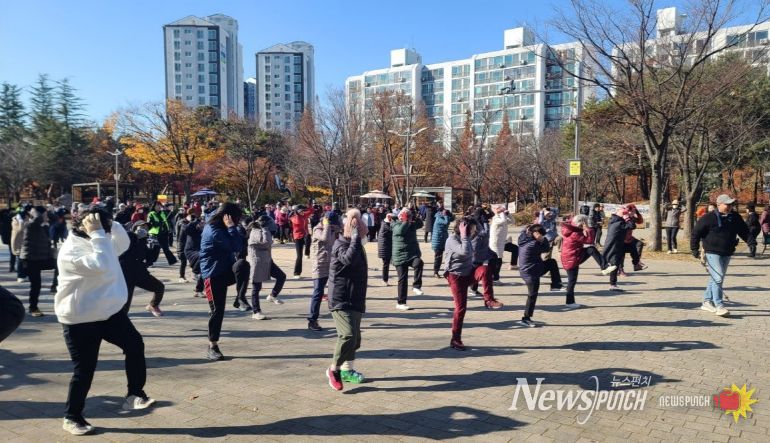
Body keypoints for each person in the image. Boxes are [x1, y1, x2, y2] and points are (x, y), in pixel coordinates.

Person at [54, 207, 155, 435]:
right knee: (85, 370)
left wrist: (110, 220)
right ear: (87, 228)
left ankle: (134, 394)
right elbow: (103, 266)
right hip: (80, 318)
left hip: (109, 312)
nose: (107, 234)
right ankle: (72, 417)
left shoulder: (100, 240)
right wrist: (99, 232)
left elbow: (123, 244)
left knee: (135, 345)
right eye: (103, 229)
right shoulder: (71, 251)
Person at [325, 209, 368, 391]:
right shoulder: (340, 244)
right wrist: (356, 237)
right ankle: (333, 370)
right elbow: (348, 259)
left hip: (355, 298)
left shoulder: (356, 244)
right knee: (347, 335)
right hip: (341, 298)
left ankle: (347, 370)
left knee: (355, 340)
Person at [691, 195, 755, 317]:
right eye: (727, 204)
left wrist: (751, 242)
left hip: (727, 252)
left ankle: (706, 301)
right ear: (719, 204)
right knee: (718, 278)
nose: (730, 206)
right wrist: (694, 249)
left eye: (731, 204)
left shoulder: (735, 217)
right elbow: (696, 233)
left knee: (716, 278)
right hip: (712, 252)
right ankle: (719, 306)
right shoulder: (708, 218)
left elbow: (744, 231)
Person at [199, 203, 242, 361]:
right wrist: (232, 228)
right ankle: (212, 346)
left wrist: (233, 229)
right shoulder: (214, 230)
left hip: (225, 270)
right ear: (227, 217)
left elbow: (239, 245)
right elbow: (236, 245)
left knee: (243, 265)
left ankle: (241, 298)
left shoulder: (221, 227)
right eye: (236, 219)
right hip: (213, 274)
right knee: (217, 310)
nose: (237, 222)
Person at [560, 214, 617, 309]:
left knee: (591, 250)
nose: (586, 224)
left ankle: (605, 267)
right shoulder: (575, 233)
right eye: (585, 222)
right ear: (581, 223)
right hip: (572, 259)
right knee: (572, 281)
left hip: (573, 256)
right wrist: (587, 228)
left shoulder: (571, 228)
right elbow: (590, 240)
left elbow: (573, 221)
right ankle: (569, 302)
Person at [517, 224, 564, 327]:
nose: (542, 237)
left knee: (551, 262)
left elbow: (523, 232)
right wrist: (542, 239)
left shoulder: (524, 238)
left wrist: (527, 228)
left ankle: (556, 285)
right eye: (541, 235)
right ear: (536, 234)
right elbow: (546, 249)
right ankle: (526, 318)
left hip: (532, 268)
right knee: (532, 295)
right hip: (531, 273)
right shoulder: (533, 244)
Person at [443, 217, 476, 351]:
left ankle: (489, 299)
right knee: (461, 308)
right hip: (455, 276)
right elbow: (465, 251)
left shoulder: (467, 238)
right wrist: (464, 235)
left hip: (468, 273)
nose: (474, 231)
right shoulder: (452, 239)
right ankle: (455, 339)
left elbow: (482, 233)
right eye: (472, 229)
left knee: (485, 270)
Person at [119, 222, 165, 317]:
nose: (144, 229)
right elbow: (125, 252)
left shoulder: (143, 241)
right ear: (135, 227)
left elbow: (151, 259)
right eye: (142, 227)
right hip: (126, 275)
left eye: (146, 228)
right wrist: (135, 236)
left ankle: (153, 305)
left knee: (159, 287)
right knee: (125, 305)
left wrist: (156, 245)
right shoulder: (128, 237)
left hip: (140, 274)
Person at [247, 215, 286, 320]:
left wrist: (265, 230)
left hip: (267, 260)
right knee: (256, 287)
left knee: (281, 276)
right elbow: (266, 243)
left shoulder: (263, 230)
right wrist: (265, 229)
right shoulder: (255, 232)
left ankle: (273, 295)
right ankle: (256, 312)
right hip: (258, 262)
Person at [20, 206, 57, 316]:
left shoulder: (41, 226)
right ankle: (33, 308)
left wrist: (48, 212)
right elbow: (37, 218)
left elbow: (55, 219)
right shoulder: (31, 225)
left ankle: (54, 286)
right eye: (45, 215)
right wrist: (34, 210)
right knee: (36, 284)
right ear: (38, 215)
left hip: (41, 258)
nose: (46, 217)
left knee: (60, 264)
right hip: (30, 260)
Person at [308, 211, 342, 331]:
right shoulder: (317, 229)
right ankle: (312, 320)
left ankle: (340, 317)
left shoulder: (333, 229)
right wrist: (327, 225)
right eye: (331, 224)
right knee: (318, 292)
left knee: (336, 291)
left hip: (331, 264)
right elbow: (325, 238)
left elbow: (343, 230)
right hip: (319, 265)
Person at [391, 209, 424, 310]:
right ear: (401, 216)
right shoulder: (395, 224)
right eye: (406, 216)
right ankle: (401, 303)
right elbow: (400, 231)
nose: (408, 218)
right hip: (399, 256)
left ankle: (416, 286)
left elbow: (420, 224)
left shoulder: (410, 224)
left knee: (419, 262)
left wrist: (414, 216)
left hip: (411, 255)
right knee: (403, 279)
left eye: (409, 216)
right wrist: (405, 221)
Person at [601, 206, 638, 291]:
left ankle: (637, 263)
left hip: (619, 245)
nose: (625, 214)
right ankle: (612, 284)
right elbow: (632, 226)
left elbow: (633, 224)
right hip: (614, 247)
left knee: (634, 246)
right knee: (615, 264)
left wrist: (628, 216)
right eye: (624, 213)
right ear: (619, 213)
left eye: (625, 213)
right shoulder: (619, 223)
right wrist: (627, 218)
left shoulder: (615, 220)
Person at [232, 217, 253, 312]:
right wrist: (248, 233)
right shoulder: (239, 229)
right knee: (241, 278)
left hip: (241, 255)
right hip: (237, 256)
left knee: (243, 278)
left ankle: (239, 299)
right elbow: (240, 240)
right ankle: (240, 299)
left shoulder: (240, 228)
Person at [147, 202, 177, 267]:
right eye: (157, 205)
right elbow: (149, 223)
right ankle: (150, 262)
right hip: (155, 233)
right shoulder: (151, 214)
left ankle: (172, 260)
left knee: (165, 247)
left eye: (159, 205)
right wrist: (158, 224)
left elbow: (169, 216)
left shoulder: (163, 213)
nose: (159, 207)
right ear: (154, 206)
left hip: (164, 233)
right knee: (156, 249)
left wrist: (172, 210)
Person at [183, 213, 205, 298]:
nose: (202, 225)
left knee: (204, 270)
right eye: (200, 223)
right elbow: (185, 229)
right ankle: (195, 272)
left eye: (203, 223)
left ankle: (198, 290)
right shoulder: (191, 229)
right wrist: (194, 222)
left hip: (200, 251)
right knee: (202, 257)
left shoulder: (203, 231)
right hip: (190, 251)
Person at [489, 205, 514, 281]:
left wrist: (508, 214)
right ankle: (494, 277)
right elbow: (502, 221)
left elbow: (513, 221)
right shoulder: (495, 218)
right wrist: (502, 213)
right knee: (496, 259)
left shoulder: (503, 217)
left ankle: (495, 277)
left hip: (501, 241)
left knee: (498, 259)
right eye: (498, 209)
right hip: (495, 242)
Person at [431, 208, 454, 278]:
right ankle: (435, 272)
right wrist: (445, 215)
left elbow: (452, 219)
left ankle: (448, 271)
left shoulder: (443, 217)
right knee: (438, 257)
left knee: (449, 255)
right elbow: (446, 222)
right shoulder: (438, 218)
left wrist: (450, 214)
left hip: (443, 239)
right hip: (438, 241)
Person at [289, 205, 311, 278]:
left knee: (308, 236)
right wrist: (299, 214)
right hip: (297, 237)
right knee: (299, 256)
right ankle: (296, 273)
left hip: (304, 235)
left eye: (303, 211)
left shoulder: (303, 215)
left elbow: (311, 211)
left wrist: (309, 205)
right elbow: (299, 222)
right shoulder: (294, 218)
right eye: (301, 211)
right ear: (297, 212)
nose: (303, 212)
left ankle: (307, 253)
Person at [11, 204, 31, 282]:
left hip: (25, 243)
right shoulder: (16, 220)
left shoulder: (25, 219)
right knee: (20, 260)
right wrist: (21, 221)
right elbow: (20, 229)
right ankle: (20, 276)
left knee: (25, 260)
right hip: (18, 243)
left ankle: (25, 274)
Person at [377, 213, 394, 286]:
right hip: (385, 247)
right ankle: (385, 280)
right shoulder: (385, 224)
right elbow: (393, 230)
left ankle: (385, 279)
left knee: (386, 264)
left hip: (386, 246)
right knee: (386, 264)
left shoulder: (385, 223)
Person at [0, 208, 14, 272]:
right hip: (11, 237)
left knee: (12, 252)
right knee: (13, 253)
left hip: (6, 238)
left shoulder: (2, 219)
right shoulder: (9, 218)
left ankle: (12, 267)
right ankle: (12, 267)